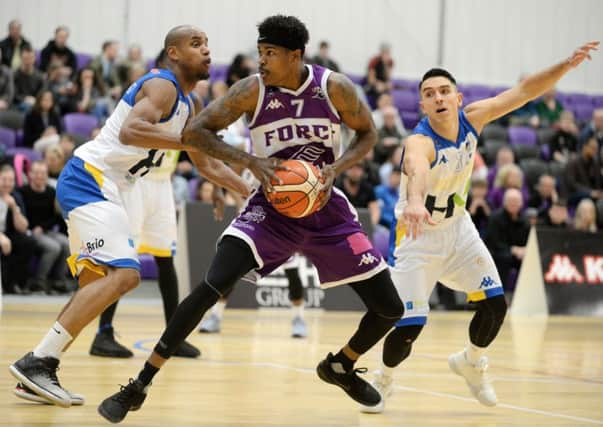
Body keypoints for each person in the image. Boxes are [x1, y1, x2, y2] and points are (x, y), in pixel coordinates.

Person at [98, 15, 404, 423]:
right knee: (211, 285)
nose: (260, 61)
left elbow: (369, 134)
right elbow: (196, 134)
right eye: (259, 52)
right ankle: (139, 384)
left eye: (270, 54)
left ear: (295, 56)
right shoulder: (250, 91)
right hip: (269, 211)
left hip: (327, 211)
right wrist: (249, 161)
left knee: (389, 309)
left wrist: (338, 168)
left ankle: (340, 366)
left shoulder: (334, 88)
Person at [9, 25, 250, 408]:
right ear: (172, 52)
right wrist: (190, 140)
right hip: (91, 177)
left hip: (112, 187)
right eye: (195, 44)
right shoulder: (162, 85)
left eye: (207, 44)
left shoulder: (190, 105)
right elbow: (130, 130)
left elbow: (208, 165)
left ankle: (42, 365)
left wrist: (251, 190)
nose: (206, 50)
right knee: (127, 274)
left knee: (94, 287)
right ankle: (37, 361)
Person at [361, 41, 599, 414]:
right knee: (410, 327)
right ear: (422, 105)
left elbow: (523, 92)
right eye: (428, 94)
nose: (437, 98)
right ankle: (384, 378)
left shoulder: (473, 118)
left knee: (495, 307)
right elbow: (418, 170)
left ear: (457, 98)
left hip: (459, 230)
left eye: (443, 91)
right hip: (418, 238)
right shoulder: (419, 141)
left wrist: (565, 66)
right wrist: (414, 203)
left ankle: (472, 361)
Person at [90, 148, 201, 359]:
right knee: (123, 258)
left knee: (166, 259)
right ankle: (103, 334)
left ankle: (173, 338)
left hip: (163, 182)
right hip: (136, 180)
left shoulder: (188, 115)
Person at [198, 254, 309, 338]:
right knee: (232, 272)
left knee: (293, 275)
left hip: (284, 234)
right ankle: (215, 317)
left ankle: (298, 319)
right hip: (258, 232)